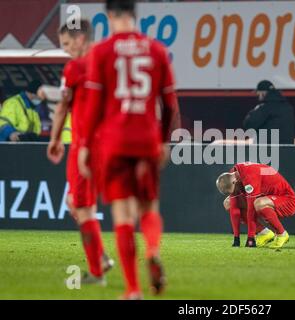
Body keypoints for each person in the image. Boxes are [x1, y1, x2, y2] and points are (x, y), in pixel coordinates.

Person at [78, 0, 180, 300]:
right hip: (146, 138)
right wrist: (163, 141)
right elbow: (170, 105)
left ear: (109, 16)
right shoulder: (157, 50)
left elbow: (93, 106)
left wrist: (84, 145)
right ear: (135, 15)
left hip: (114, 142)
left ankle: (133, 290)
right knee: (149, 207)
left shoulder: (101, 51)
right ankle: (152, 250)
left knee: (123, 214)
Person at [43, 20, 114, 284]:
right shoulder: (108, 62)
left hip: (86, 146)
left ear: (81, 39)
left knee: (82, 206)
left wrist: (54, 139)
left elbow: (62, 105)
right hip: (101, 144)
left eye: (67, 44)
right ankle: (101, 257)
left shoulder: (76, 67)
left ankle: (97, 272)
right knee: (74, 202)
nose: (66, 50)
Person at [216, 162, 295, 249]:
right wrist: (236, 238)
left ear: (234, 182)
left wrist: (250, 238)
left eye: (234, 190)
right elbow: (234, 206)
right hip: (267, 197)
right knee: (228, 203)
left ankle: (282, 234)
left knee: (258, 203)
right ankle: (264, 233)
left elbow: (251, 210)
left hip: (287, 199)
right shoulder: (234, 174)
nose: (235, 192)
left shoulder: (249, 176)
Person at [243, 80, 295, 144]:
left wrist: (253, 112)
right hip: (289, 150)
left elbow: (249, 124)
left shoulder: (265, 108)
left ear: (263, 93)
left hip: (269, 150)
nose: (258, 96)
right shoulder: (288, 107)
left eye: (258, 93)